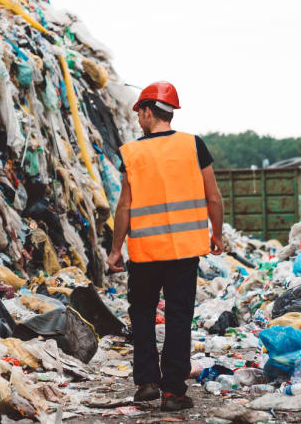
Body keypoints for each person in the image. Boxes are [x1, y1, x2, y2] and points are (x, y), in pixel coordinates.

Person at [106, 81, 225, 411]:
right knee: (178, 318)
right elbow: (213, 196)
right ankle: (173, 391)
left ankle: (146, 383)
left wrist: (116, 249)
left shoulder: (131, 153)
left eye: (139, 113)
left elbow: (124, 207)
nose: (138, 120)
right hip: (185, 251)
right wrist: (217, 233)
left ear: (147, 111)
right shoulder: (193, 145)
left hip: (144, 253)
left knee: (142, 315)